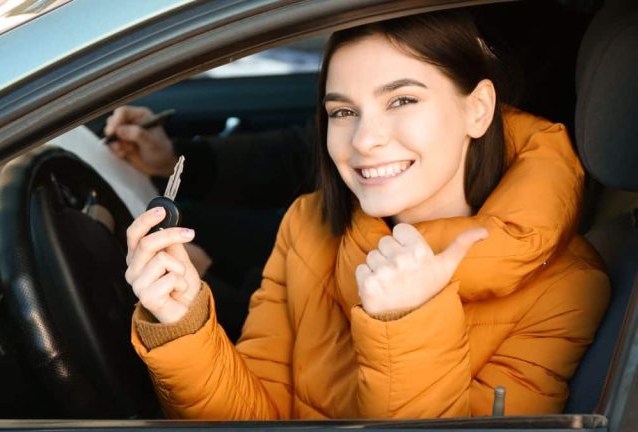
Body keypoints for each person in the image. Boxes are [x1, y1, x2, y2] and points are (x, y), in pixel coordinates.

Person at [122, 10, 609, 419]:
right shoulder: (307, 225)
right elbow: (257, 417)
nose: (363, 140)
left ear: (478, 109)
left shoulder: (566, 285)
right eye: (342, 112)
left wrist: (408, 322)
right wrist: (181, 321)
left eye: (402, 100)